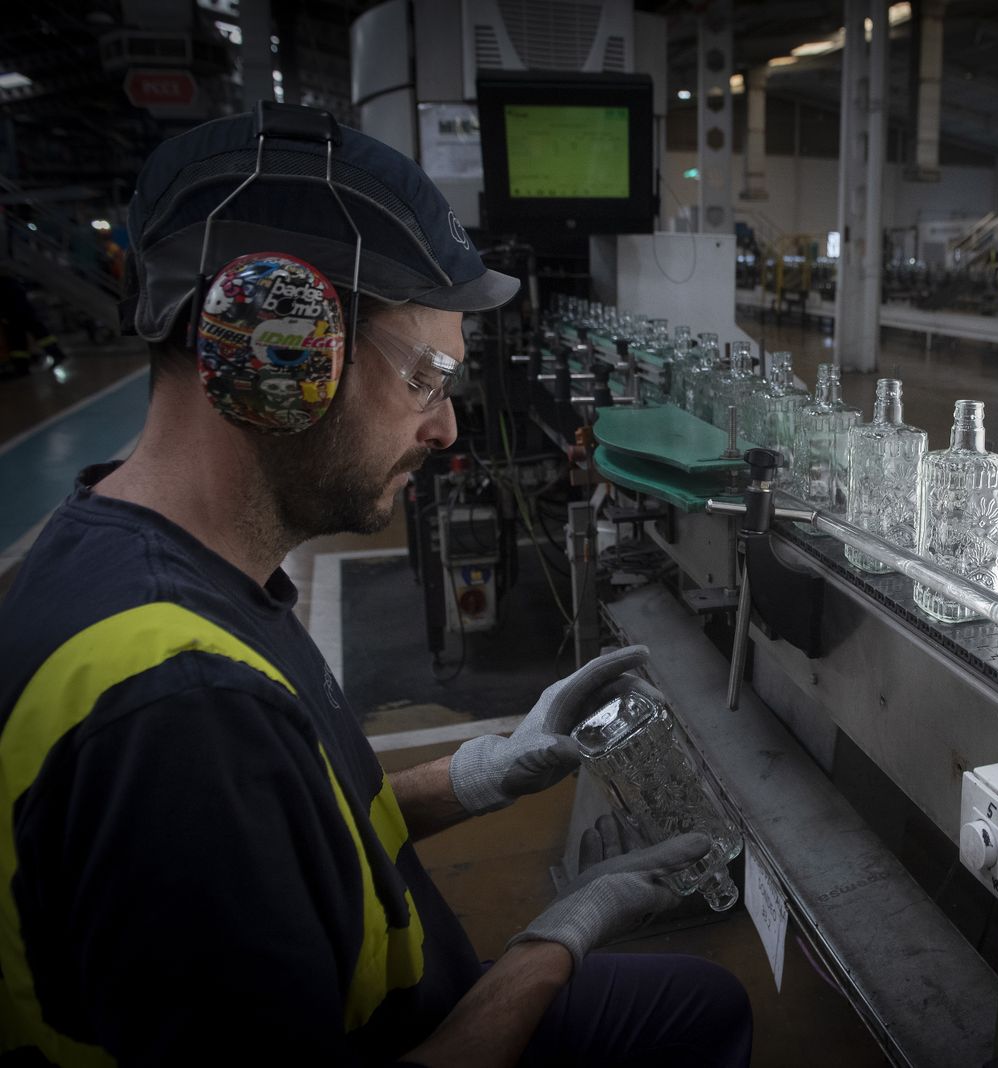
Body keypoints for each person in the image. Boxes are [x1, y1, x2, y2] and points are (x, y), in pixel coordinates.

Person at [0, 104, 752, 1066]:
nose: (445, 429)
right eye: (424, 379)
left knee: (694, 1003)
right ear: (270, 347)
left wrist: (483, 771)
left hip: (395, 993)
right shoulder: (179, 709)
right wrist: (558, 937)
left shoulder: (145, 557)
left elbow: (292, 831)